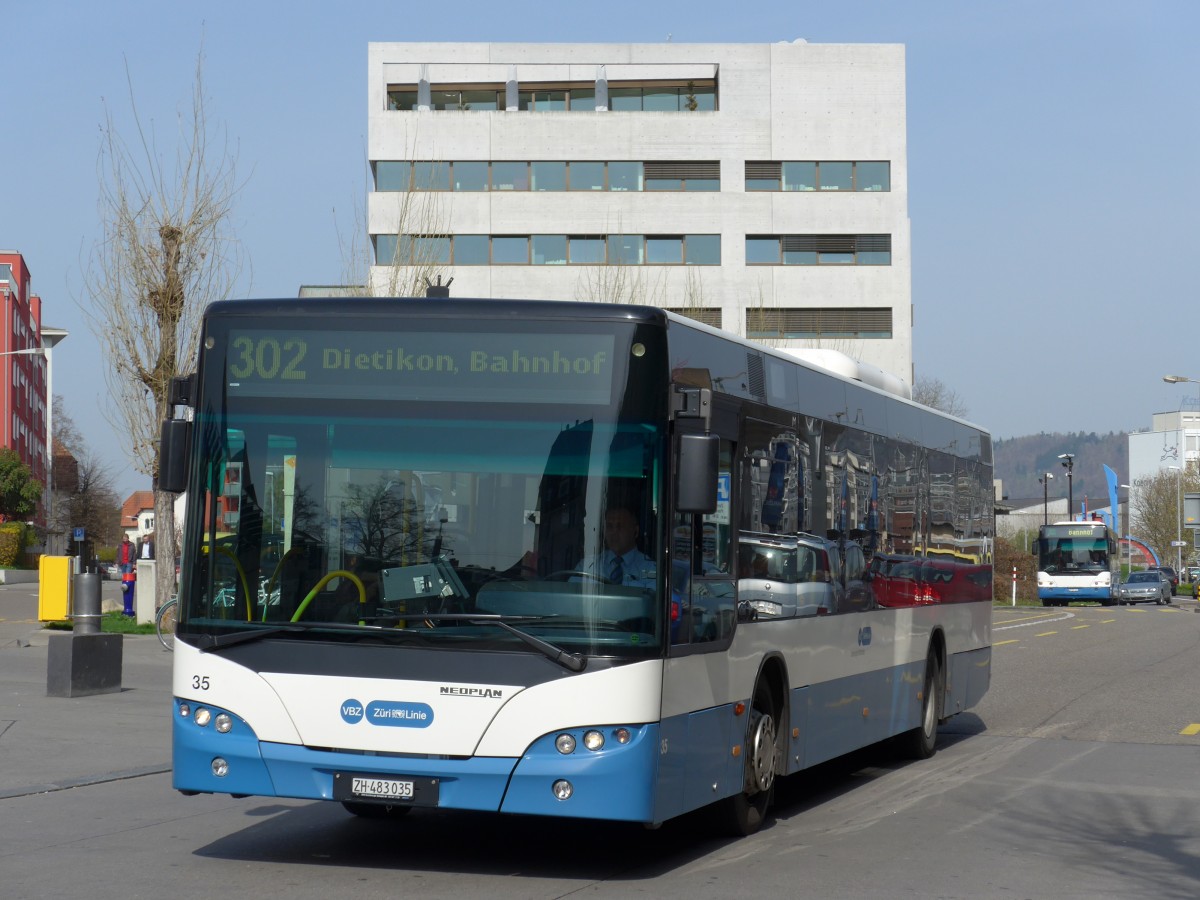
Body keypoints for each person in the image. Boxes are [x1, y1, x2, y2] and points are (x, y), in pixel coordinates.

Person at [575, 506, 655, 588]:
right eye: (609, 526)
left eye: (620, 526)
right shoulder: (587, 567)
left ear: (635, 531)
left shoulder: (650, 569)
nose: (614, 532)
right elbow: (571, 597)